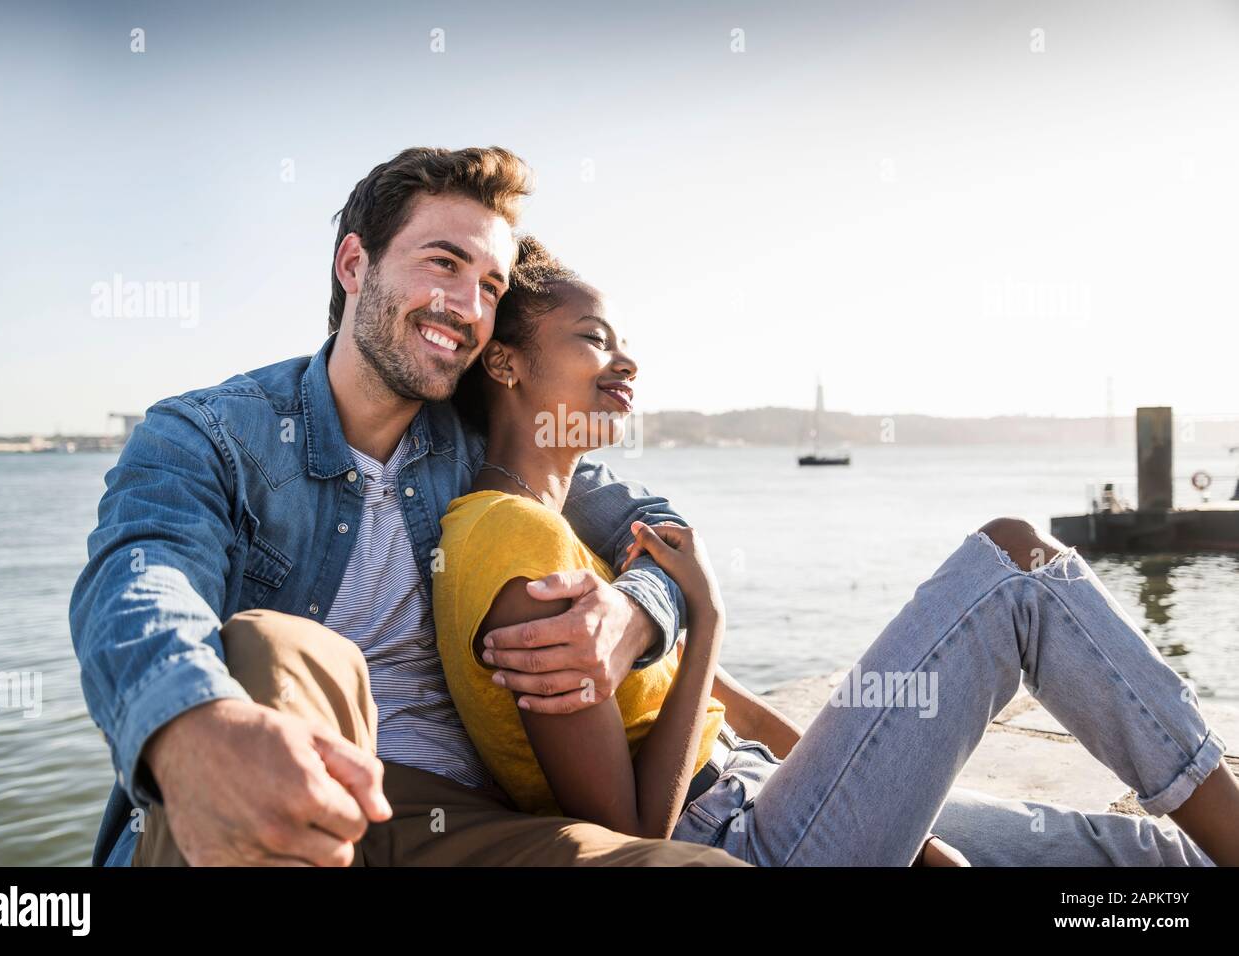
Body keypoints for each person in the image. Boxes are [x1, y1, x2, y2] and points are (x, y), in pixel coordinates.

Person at [432, 237, 1239, 866]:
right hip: (732, 847)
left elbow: (720, 703)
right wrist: (707, 616)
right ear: (504, 363)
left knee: (1148, 858)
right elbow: (633, 841)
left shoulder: (579, 528)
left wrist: (875, 810)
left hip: (772, 794)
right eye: (594, 339)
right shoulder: (511, 535)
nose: (628, 361)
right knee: (1014, 565)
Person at [68, 146, 747, 867]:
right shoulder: (213, 435)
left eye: (490, 285)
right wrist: (191, 723)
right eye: (444, 264)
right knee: (276, 645)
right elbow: (139, 583)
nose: (468, 308)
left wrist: (638, 613)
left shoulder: (482, 444)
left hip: (459, 822)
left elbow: (654, 525)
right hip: (283, 788)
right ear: (354, 265)